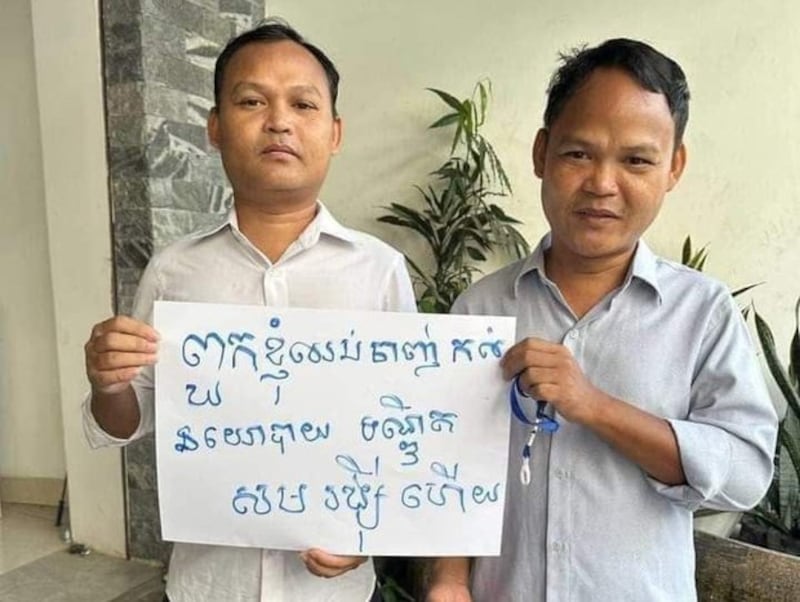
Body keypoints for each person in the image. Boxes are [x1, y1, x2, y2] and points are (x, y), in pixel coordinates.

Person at [427, 38, 778, 601]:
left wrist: (592, 406)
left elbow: (746, 475)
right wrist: (447, 580)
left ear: (673, 167)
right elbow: (451, 468)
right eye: (578, 154)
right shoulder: (481, 309)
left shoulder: (703, 312)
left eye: (636, 160)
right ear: (542, 153)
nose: (602, 184)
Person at [83, 19, 416, 602]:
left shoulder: (379, 271)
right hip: (208, 583)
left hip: (331, 588)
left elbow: (404, 425)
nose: (279, 121)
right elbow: (131, 416)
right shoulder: (173, 271)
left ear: (334, 132)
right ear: (215, 127)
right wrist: (109, 384)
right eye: (251, 100)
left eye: (303, 104)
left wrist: (371, 535)